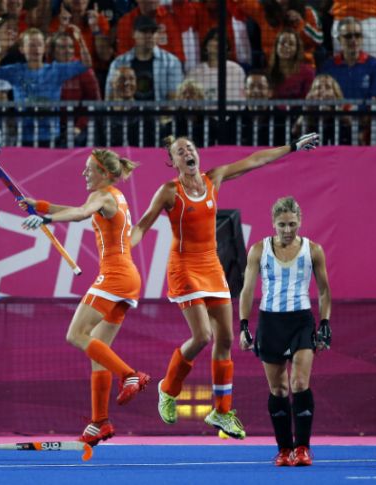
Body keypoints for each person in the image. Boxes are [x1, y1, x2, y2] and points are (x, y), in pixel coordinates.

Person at [130, 132, 320, 439]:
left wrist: (292, 147)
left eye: (190, 147)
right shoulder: (169, 191)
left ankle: (221, 411)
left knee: (226, 339)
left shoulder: (213, 179)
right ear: (174, 161)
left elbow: (254, 161)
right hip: (184, 267)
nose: (188, 152)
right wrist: (123, 249)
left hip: (211, 265)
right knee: (202, 335)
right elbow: (141, 226)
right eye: (181, 151)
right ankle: (168, 388)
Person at [19, 149, 150, 446]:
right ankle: (99, 422)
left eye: (89, 169)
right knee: (97, 350)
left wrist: (47, 220)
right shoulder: (110, 196)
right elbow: (79, 208)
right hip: (128, 279)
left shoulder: (103, 196)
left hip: (115, 276)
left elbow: (78, 214)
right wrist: (40, 207)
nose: (83, 174)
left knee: (76, 334)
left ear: (104, 172)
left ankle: (130, 375)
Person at [238, 196, 332, 466]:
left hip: (301, 321)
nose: (288, 230)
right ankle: (283, 449)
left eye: (292, 224)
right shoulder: (258, 250)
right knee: (278, 389)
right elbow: (247, 290)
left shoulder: (313, 250)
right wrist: (244, 326)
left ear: (300, 221)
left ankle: (302, 448)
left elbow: (324, 291)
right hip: (270, 323)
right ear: (273, 224)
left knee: (300, 383)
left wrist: (324, 324)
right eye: (282, 225)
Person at [0, 27, 92, 146]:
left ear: (44, 48)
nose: (36, 49)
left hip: (51, 137)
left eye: (39, 44)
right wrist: (2, 50)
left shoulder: (56, 70)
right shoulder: (16, 71)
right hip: (23, 137)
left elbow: (86, 64)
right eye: (31, 45)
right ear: (22, 49)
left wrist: (81, 41)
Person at [104, 15, 184, 102]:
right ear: (133, 34)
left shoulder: (171, 62)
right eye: (144, 31)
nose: (150, 36)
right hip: (128, 114)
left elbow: (175, 99)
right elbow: (109, 98)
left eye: (153, 32)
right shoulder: (118, 64)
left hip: (160, 114)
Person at [320, 17, 376, 101]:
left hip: (366, 114)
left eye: (357, 35)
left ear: (362, 38)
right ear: (339, 39)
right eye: (348, 36)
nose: (353, 40)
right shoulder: (328, 67)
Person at [267, 29, 315, 100]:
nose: (286, 46)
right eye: (282, 43)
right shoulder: (268, 72)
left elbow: (309, 100)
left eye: (291, 44)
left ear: (297, 48)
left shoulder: (308, 72)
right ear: (276, 47)